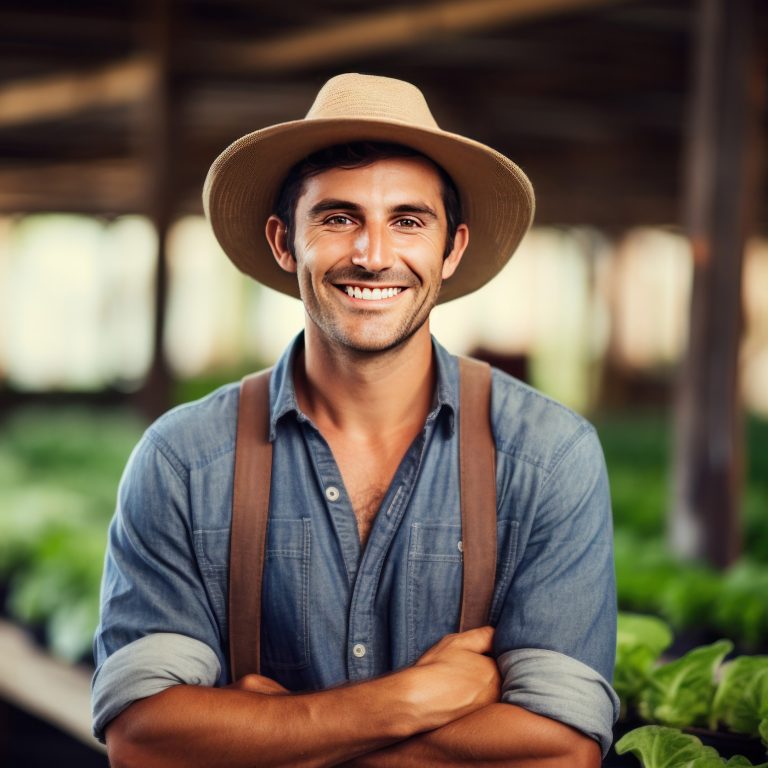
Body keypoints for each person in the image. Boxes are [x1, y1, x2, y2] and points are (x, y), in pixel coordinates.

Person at [92, 73, 619, 767]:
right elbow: (145, 740)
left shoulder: (550, 455)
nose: (373, 254)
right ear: (285, 242)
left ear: (451, 249)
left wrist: (271, 731)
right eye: (338, 218)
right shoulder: (185, 459)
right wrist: (413, 699)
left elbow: (557, 753)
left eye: (407, 220)